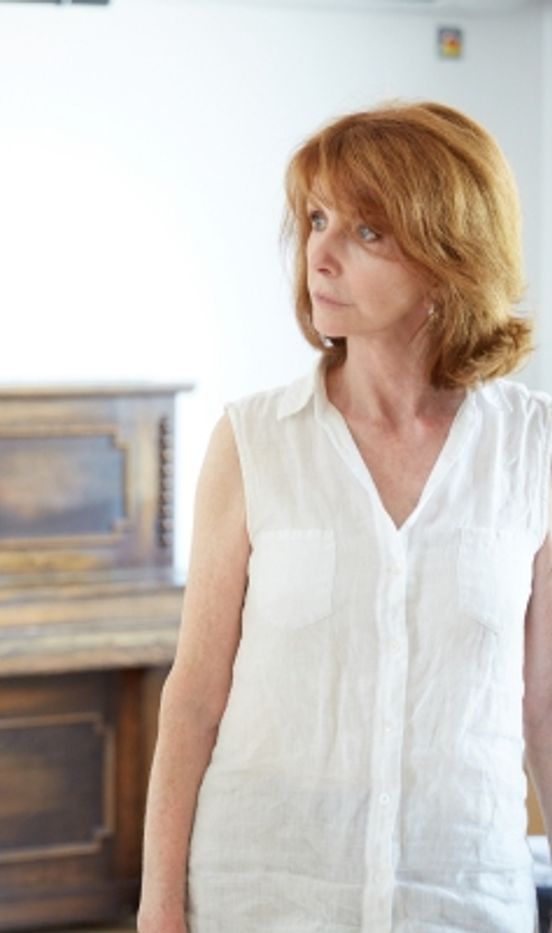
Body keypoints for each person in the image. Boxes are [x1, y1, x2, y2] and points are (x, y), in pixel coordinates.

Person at [137, 101, 552, 931]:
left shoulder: (532, 448)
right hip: (262, 895)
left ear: (449, 256)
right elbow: (193, 700)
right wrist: (158, 907)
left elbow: (544, 703)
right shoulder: (254, 441)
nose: (317, 256)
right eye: (316, 219)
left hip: (466, 896)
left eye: (365, 232)